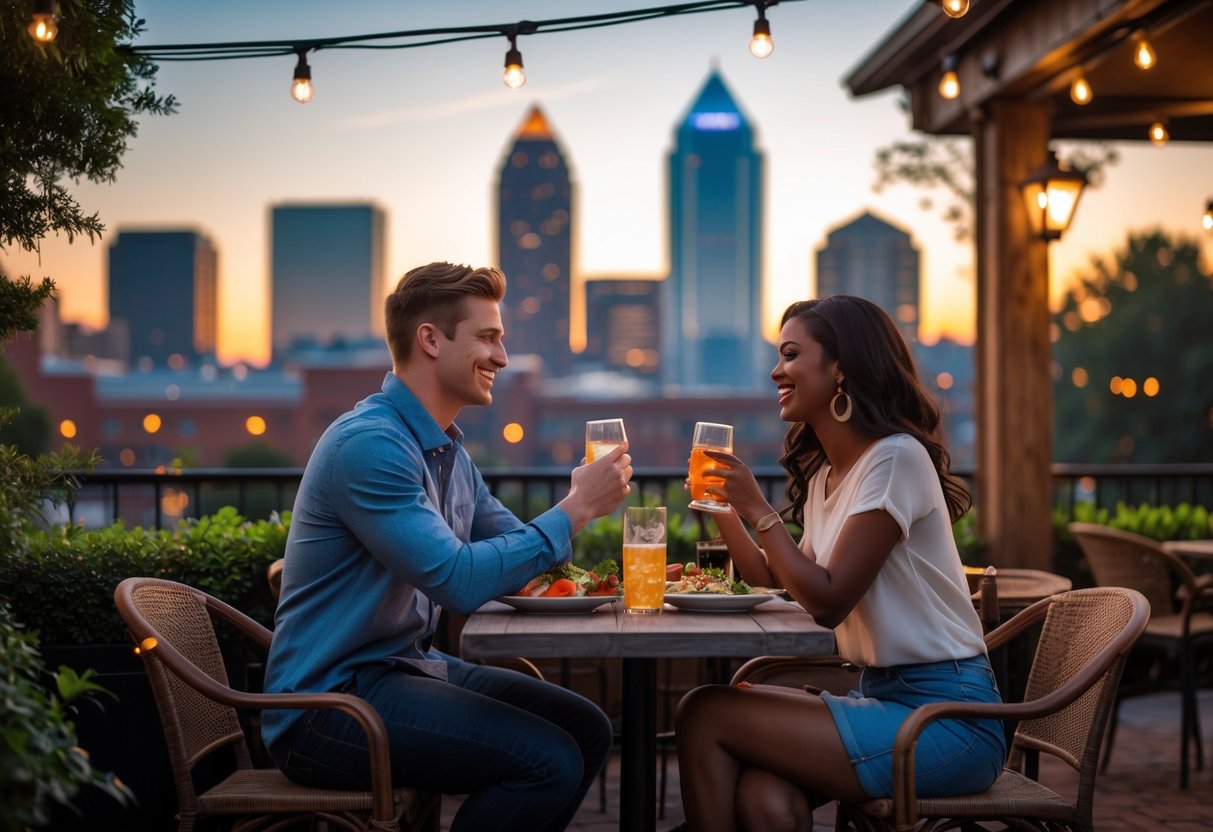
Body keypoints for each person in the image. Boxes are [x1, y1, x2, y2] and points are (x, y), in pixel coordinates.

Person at [262, 262, 631, 832]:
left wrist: (616, 574)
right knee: (547, 762)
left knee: (587, 729)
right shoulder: (370, 446)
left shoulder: (446, 451)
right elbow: (459, 581)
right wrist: (575, 507)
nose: (503, 358)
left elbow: (516, 556)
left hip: (408, 669)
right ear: (430, 340)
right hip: (331, 708)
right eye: (488, 338)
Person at [674, 295, 1005, 832]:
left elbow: (827, 601)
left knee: (704, 711)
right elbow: (773, 577)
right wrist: (724, 507)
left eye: (790, 354)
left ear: (840, 369)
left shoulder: (895, 458)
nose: (776, 370)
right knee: (765, 796)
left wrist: (760, 508)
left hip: (948, 720)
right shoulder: (830, 477)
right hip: (880, 698)